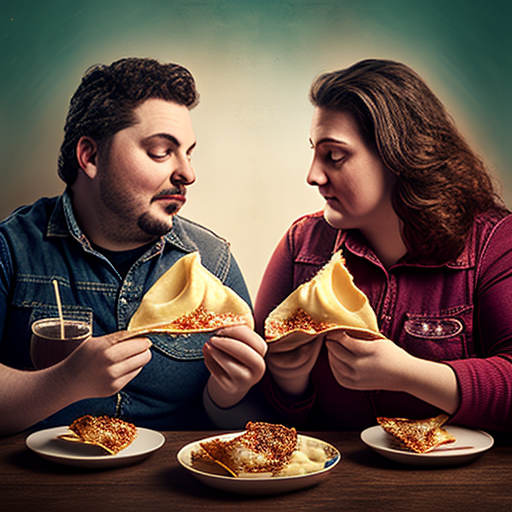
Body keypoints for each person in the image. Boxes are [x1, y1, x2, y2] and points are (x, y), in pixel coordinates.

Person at [0, 57, 267, 436]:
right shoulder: (10, 250)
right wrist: (64, 382)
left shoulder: (213, 262)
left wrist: (227, 395)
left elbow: (246, 424)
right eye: (161, 151)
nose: (188, 174)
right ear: (90, 157)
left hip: (172, 487)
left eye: (188, 153)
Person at [255, 59, 512, 433]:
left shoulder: (494, 243)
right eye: (314, 152)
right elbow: (259, 413)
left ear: (398, 156)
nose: (313, 175)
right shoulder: (302, 246)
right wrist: (288, 384)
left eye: (335, 156)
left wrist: (408, 374)